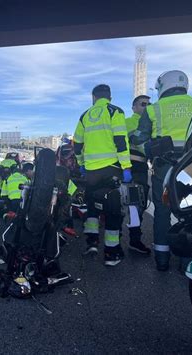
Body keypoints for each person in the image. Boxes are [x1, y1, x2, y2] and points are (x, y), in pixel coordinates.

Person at [131, 70, 192, 271]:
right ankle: (188, 260)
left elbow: (139, 138)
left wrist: (150, 150)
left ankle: (162, 258)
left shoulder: (154, 110)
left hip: (162, 165)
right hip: (191, 165)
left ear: (163, 86)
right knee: (190, 210)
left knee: (162, 211)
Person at [74, 84, 132, 266]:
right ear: (109, 97)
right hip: (112, 169)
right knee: (113, 210)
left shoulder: (85, 116)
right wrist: (126, 167)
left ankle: (92, 243)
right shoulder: (115, 111)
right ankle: (111, 253)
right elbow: (121, 141)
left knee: (92, 208)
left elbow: (76, 144)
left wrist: (82, 164)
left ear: (93, 97)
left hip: (91, 172)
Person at [125, 95, 152, 255]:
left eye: (149, 104)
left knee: (137, 205)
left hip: (141, 167)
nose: (146, 106)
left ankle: (134, 239)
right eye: (143, 104)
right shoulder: (128, 122)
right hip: (131, 168)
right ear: (134, 107)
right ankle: (134, 240)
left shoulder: (152, 122)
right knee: (134, 204)